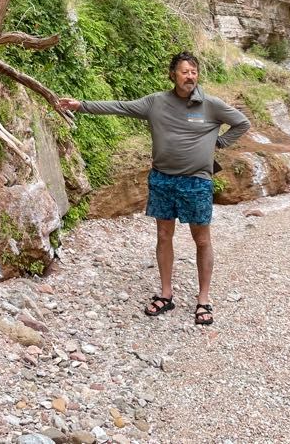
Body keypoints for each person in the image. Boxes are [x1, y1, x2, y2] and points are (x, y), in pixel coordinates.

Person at [58, 51, 250, 326]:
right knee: (163, 235)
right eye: (185, 72)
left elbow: (242, 123)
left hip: (197, 181)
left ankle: (203, 299)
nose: (190, 76)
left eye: (194, 72)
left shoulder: (211, 105)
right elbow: (120, 107)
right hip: (162, 179)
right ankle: (166, 294)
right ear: (173, 75)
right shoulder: (155, 103)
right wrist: (81, 105)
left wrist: (217, 144)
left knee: (202, 240)